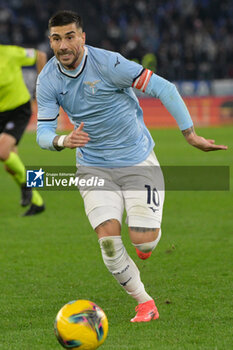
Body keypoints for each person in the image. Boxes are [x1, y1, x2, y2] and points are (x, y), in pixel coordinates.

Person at [36, 10, 227, 322]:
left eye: (70, 36)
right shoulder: (48, 80)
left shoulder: (110, 64)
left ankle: (145, 244)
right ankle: (145, 302)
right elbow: (43, 132)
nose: (63, 45)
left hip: (137, 160)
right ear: (50, 41)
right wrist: (60, 141)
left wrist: (190, 135)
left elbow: (164, 88)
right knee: (109, 243)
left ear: (82, 38)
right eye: (56, 38)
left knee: (144, 240)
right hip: (93, 167)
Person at [0, 44, 47, 216]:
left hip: (18, 109)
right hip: (1, 113)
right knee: (10, 166)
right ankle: (37, 203)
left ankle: (26, 186)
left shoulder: (10, 52)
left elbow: (40, 55)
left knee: (2, 152)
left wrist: (41, 89)